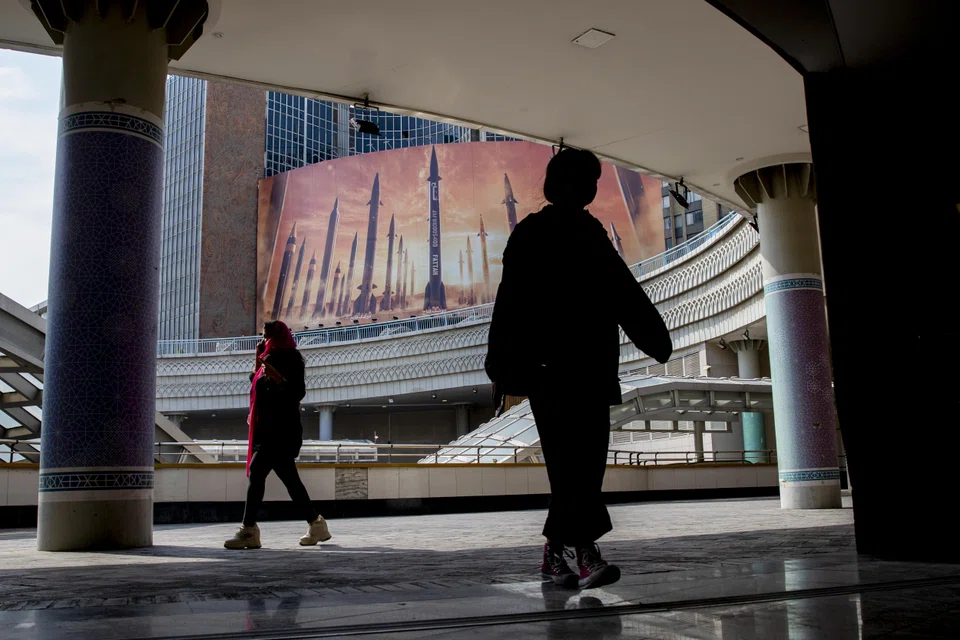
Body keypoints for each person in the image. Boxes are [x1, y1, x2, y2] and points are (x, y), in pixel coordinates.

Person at [485, 148, 672, 589]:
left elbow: (510, 304)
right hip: (563, 370)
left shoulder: (559, 232)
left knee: (577, 469)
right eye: (586, 181)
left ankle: (554, 555)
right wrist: (655, 339)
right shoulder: (546, 234)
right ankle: (585, 553)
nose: (590, 190)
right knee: (577, 467)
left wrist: (501, 364)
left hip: (570, 370)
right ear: (567, 184)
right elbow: (621, 293)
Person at [224, 320, 332, 549]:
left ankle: (249, 530)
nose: (263, 340)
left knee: (257, 472)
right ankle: (316, 524)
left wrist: (277, 377)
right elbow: (257, 385)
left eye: (265, 336)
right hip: (268, 430)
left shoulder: (291, 359)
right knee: (290, 480)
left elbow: (297, 392)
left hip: (281, 431)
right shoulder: (267, 359)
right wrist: (259, 361)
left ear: (276, 336)